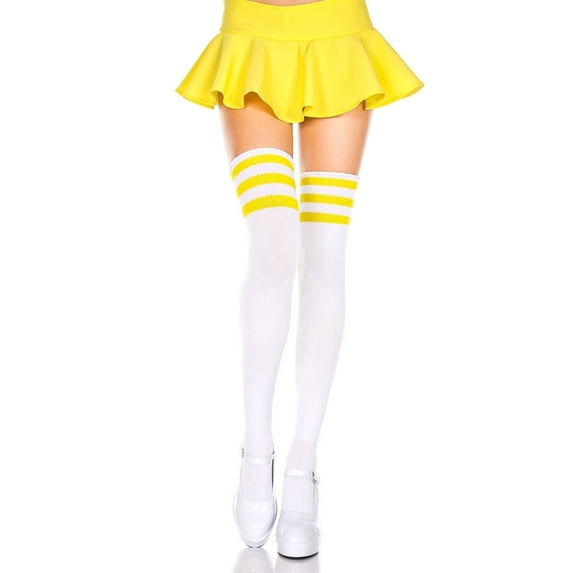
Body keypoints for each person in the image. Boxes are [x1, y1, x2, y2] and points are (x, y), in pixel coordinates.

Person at [175, 0, 424, 559]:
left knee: (325, 252)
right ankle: (256, 447)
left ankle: (302, 465)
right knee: (274, 246)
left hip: (337, 33)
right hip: (253, 34)